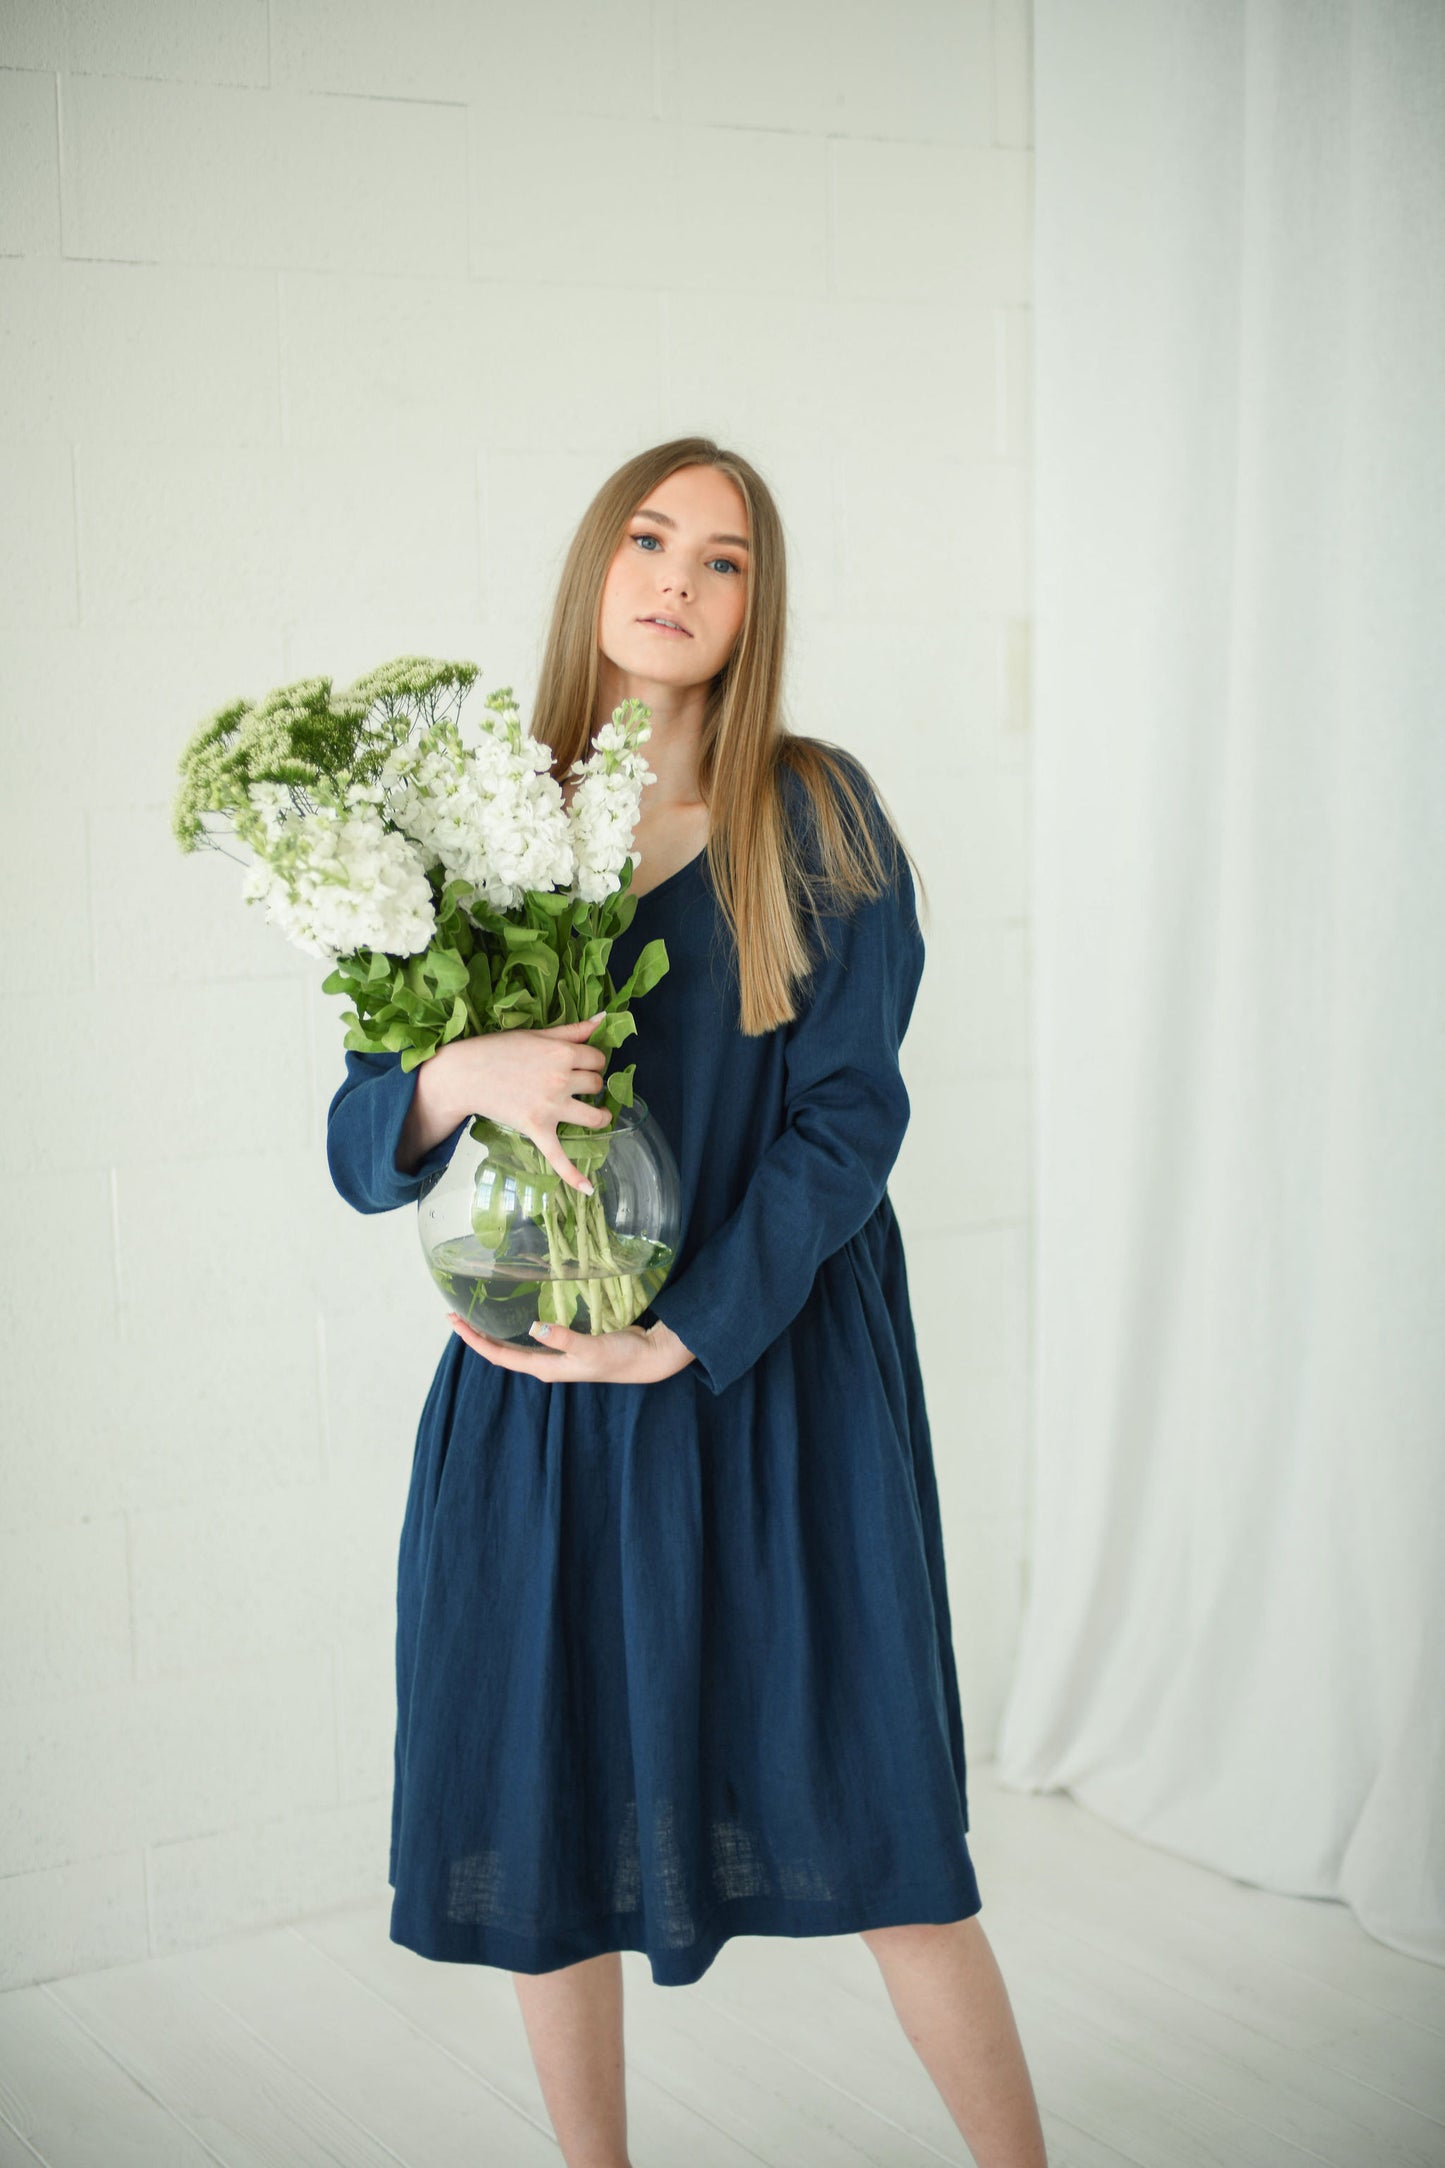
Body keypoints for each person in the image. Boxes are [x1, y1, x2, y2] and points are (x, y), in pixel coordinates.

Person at [326, 437, 1049, 2168]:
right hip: (540, 1393)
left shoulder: (820, 811)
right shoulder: (475, 821)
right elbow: (364, 1139)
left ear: (756, 604)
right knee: (543, 1813)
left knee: (881, 1821)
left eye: (725, 560)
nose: (678, 579)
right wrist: (459, 1076)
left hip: (769, 1375)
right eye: (650, 539)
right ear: (594, 566)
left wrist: (688, 1326)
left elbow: (848, 1117)